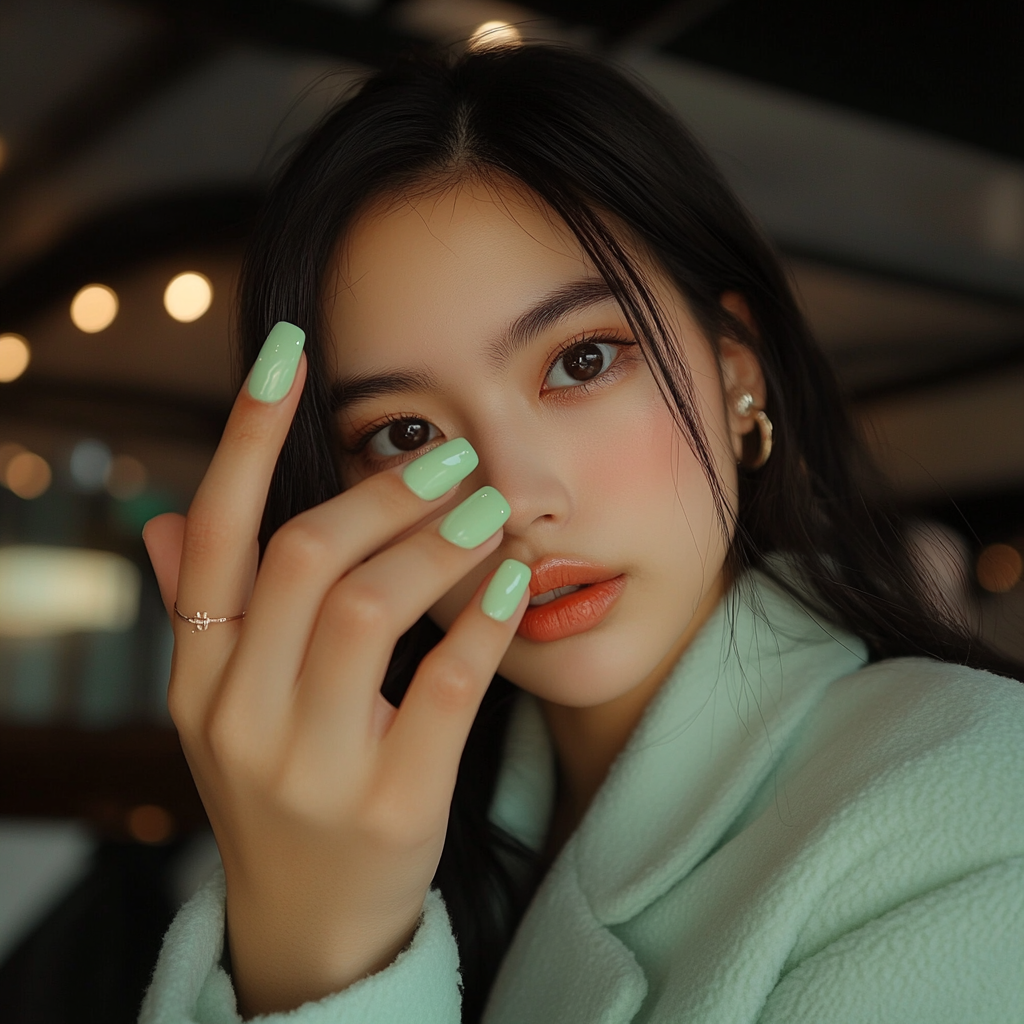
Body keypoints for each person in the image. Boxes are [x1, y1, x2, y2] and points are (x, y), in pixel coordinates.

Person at [138, 44, 1024, 1024]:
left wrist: (332, 978)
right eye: (405, 434)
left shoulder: (977, 805)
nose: (516, 499)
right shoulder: (404, 820)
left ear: (738, 374)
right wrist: (308, 929)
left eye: (583, 359)